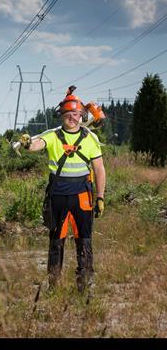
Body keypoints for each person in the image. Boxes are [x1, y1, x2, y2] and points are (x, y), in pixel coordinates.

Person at [18, 86, 106, 293]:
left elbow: (99, 170)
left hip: (82, 195)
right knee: (56, 242)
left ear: (82, 116)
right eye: (68, 115)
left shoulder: (90, 138)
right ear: (62, 116)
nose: (72, 118)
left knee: (84, 240)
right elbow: (36, 145)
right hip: (57, 195)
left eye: (76, 115)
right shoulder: (53, 135)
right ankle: (53, 286)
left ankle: (85, 285)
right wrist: (26, 143)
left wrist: (100, 197)